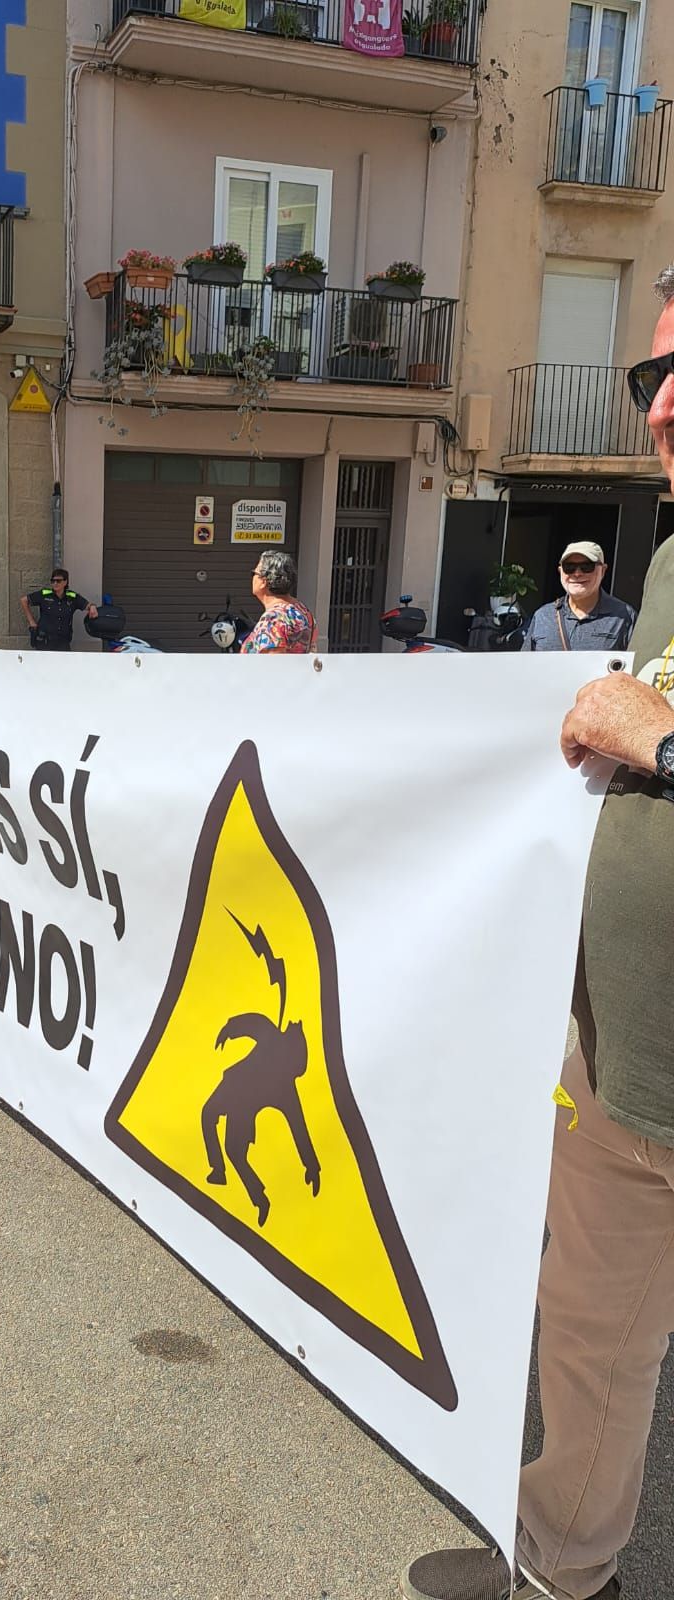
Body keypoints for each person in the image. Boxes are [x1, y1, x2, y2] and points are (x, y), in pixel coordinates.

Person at [401, 270, 674, 1600]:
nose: (662, 405)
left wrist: (662, 740)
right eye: (649, 377)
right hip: (624, 1062)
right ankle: (568, 1574)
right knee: (590, 1336)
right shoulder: (673, 561)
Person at [520, 541, 636, 652]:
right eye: (569, 567)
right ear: (560, 571)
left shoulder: (624, 616)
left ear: (603, 570)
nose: (577, 573)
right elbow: (524, 666)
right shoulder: (543, 616)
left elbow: (637, 667)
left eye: (586, 566)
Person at [240, 550, 316, 653]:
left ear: (264, 581)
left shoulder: (273, 618)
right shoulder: (302, 610)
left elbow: (273, 665)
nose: (252, 577)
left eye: (254, 573)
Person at [19, 568, 98, 650]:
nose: (55, 583)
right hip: (45, 642)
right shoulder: (44, 594)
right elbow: (24, 600)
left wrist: (92, 607)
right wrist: (31, 621)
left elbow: (88, 605)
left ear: (65, 582)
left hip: (63, 642)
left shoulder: (72, 597)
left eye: (58, 581)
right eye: (53, 581)